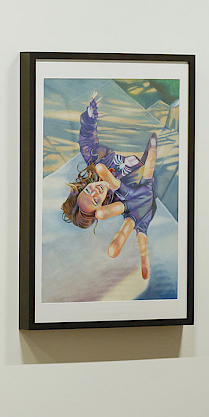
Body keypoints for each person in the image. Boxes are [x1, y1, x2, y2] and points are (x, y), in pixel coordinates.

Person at [59, 93, 158, 279]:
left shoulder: (94, 161)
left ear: (83, 186)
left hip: (129, 120)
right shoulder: (123, 198)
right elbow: (144, 195)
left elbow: (86, 138)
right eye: (96, 200)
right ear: (101, 205)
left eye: (88, 190)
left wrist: (90, 115)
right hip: (150, 143)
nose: (96, 191)